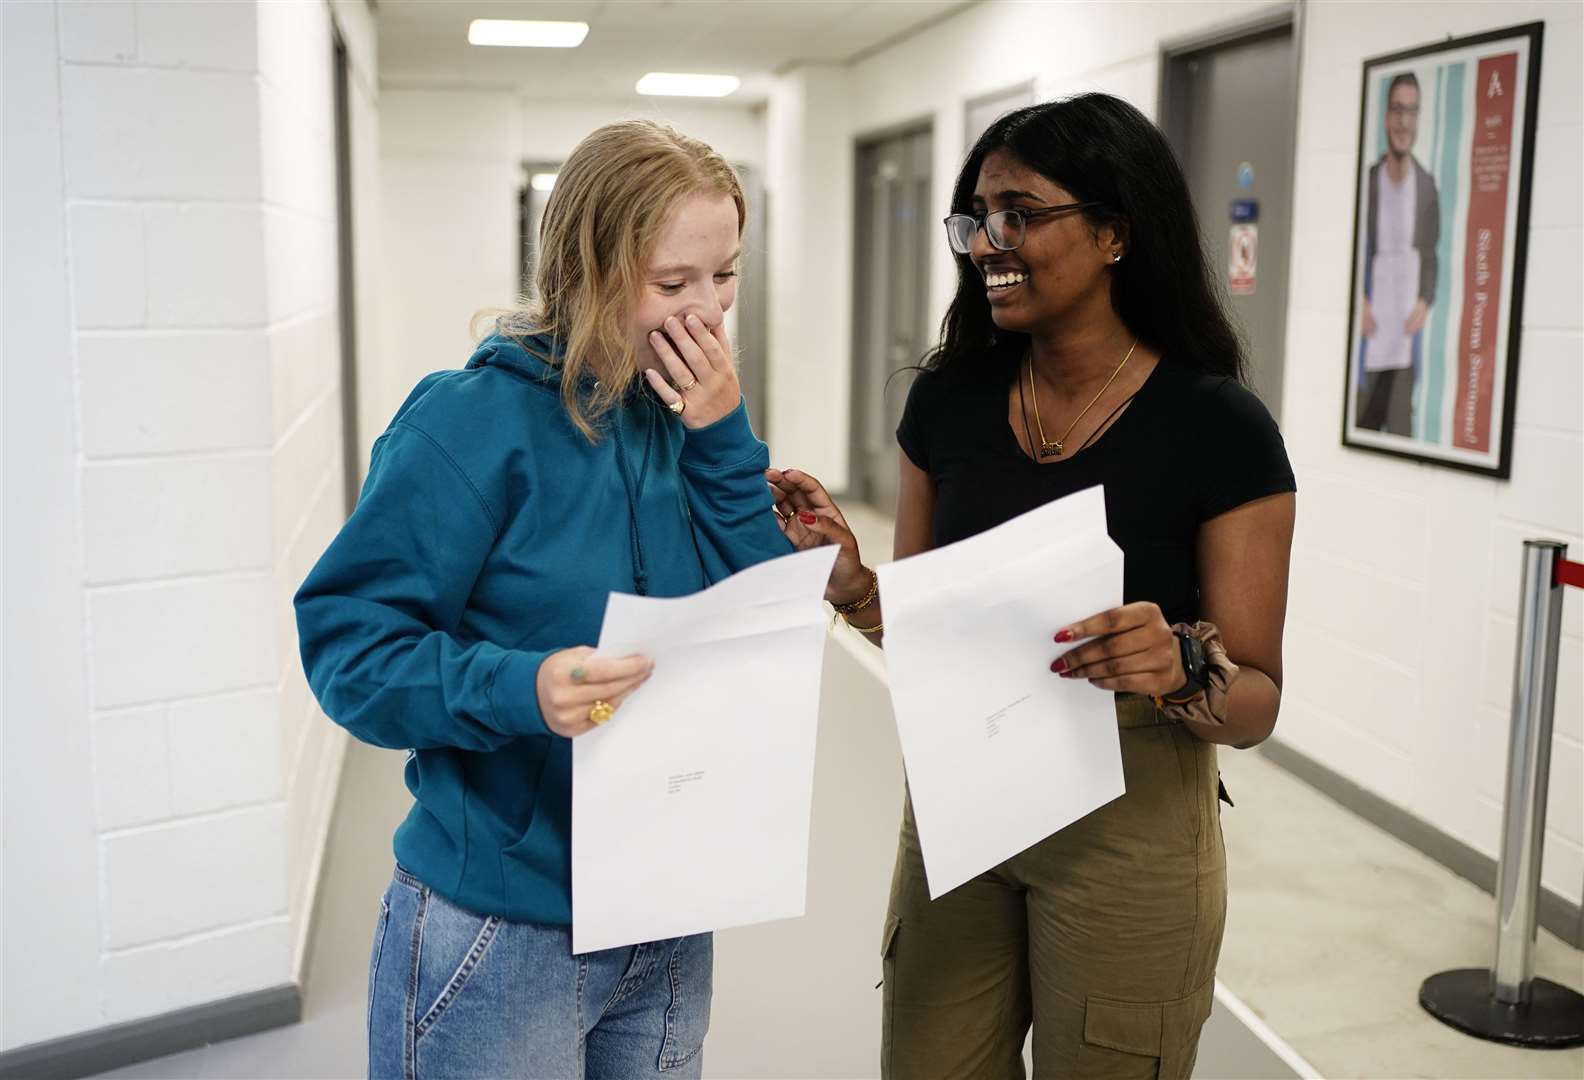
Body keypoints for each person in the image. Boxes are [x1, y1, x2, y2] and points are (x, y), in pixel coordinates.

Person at [769, 94, 1297, 1079]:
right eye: (977, 217)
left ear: (1113, 233)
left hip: (1131, 818)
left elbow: (1255, 696)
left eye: (1021, 213)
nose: (987, 243)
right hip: (963, 795)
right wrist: (853, 587)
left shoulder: (1218, 426)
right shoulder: (948, 401)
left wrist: (1177, 665)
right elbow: (927, 630)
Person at [294, 120, 800, 1079]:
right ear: (584, 267)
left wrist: (726, 441)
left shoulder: (681, 411)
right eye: (672, 283)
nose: (709, 314)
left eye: (725, 276)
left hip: (667, 905)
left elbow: (761, 615)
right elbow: (349, 650)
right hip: (501, 929)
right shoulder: (469, 424)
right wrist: (521, 688)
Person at [1357, 71, 1440, 435]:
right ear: (1387, 117)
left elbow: (1431, 253)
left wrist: (1425, 300)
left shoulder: (1426, 187)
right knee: (1366, 416)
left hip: (1405, 328)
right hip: (1371, 327)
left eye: (1411, 111)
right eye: (1396, 110)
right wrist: (1359, 298)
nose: (1403, 120)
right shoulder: (1369, 182)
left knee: (1402, 423)